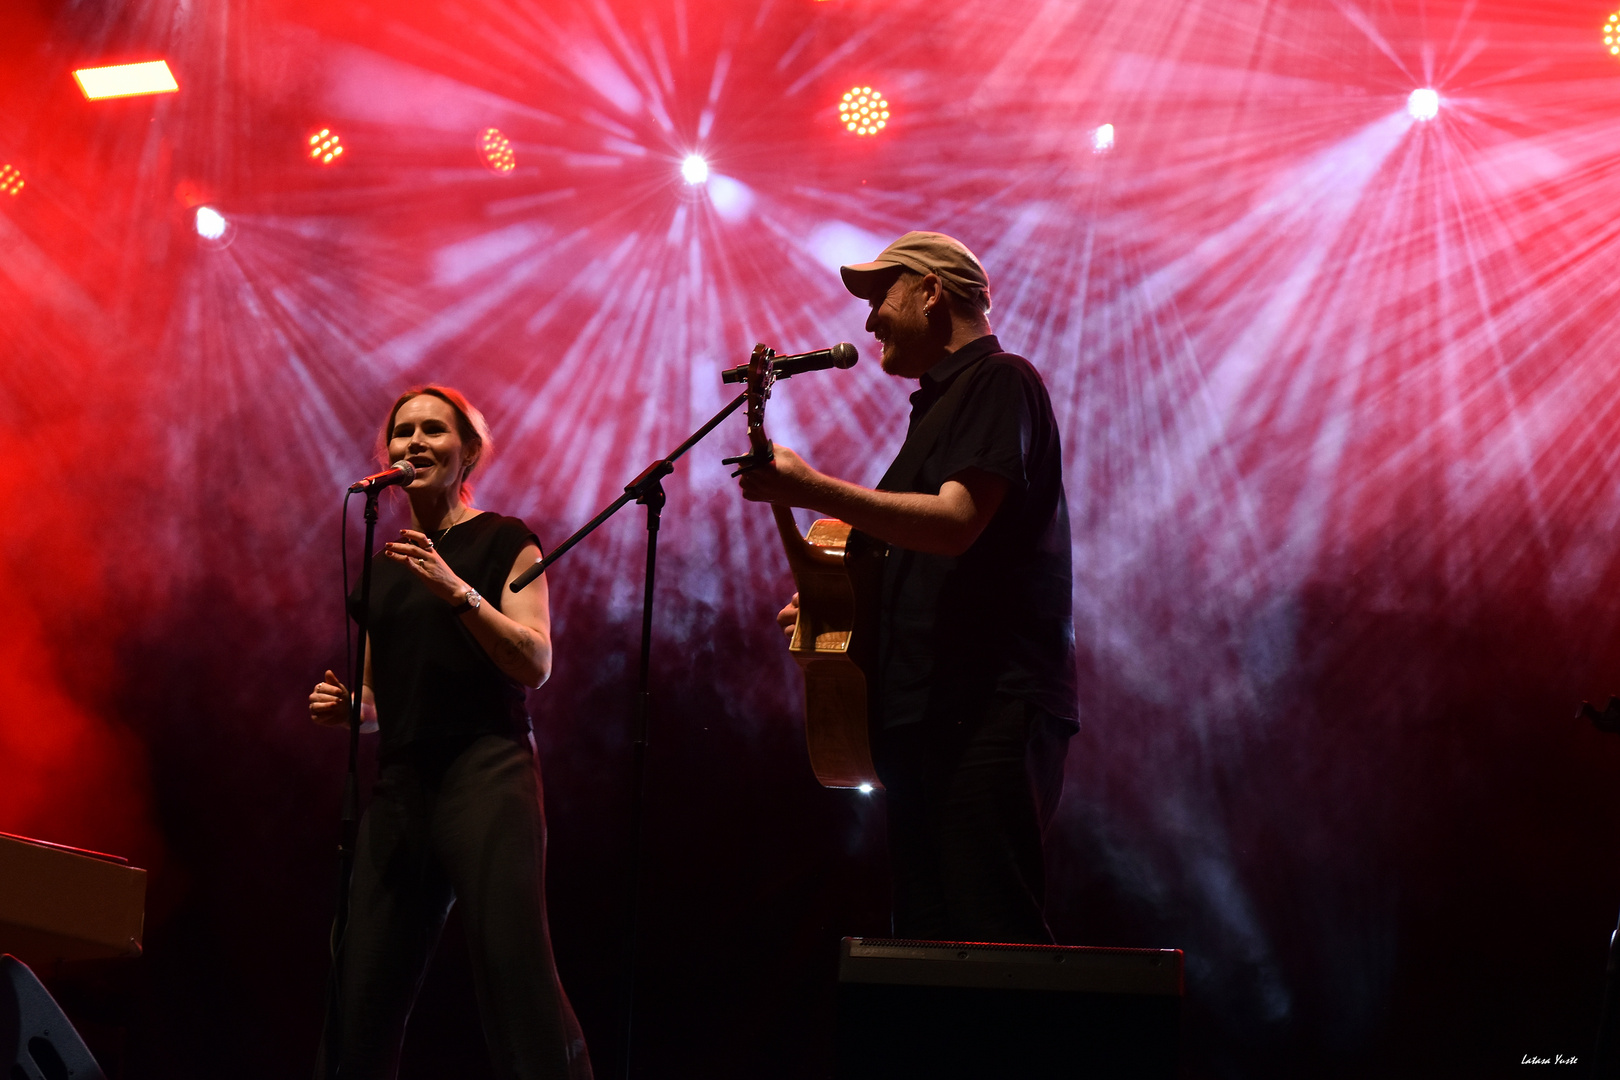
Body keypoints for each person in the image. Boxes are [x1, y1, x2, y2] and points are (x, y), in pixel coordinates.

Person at [737, 231, 1078, 944]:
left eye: (880, 298)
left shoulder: (1002, 380)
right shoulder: (936, 410)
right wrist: (840, 602)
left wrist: (811, 487)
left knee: (992, 934)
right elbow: (925, 559)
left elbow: (956, 524)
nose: (867, 322)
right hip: (925, 713)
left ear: (932, 291)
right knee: (927, 942)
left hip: (989, 702)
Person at [308, 386, 591, 1080]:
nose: (414, 442)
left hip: (486, 771)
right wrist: (353, 708)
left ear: (468, 452)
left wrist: (460, 591)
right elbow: (379, 696)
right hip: (403, 784)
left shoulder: (505, 538)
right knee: (361, 986)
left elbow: (536, 662)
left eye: (434, 430)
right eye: (402, 432)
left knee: (512, 971)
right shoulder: (384, 568)